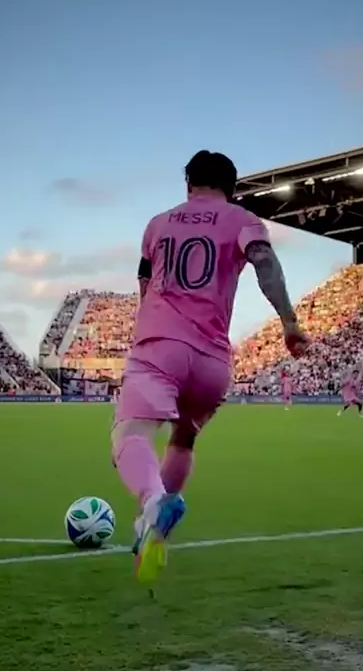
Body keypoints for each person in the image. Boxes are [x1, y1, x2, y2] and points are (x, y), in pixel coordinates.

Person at [111, 150, 309, 587]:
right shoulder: (242, 219)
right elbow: (265, 263)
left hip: (160, 348)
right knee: (183, 440)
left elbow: (145, 285)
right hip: (213, 363)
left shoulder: (157, 225)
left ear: (188, 184)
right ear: (231, 188)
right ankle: (153, 531)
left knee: (130, 434)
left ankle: (153, 503)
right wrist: (289, 322)